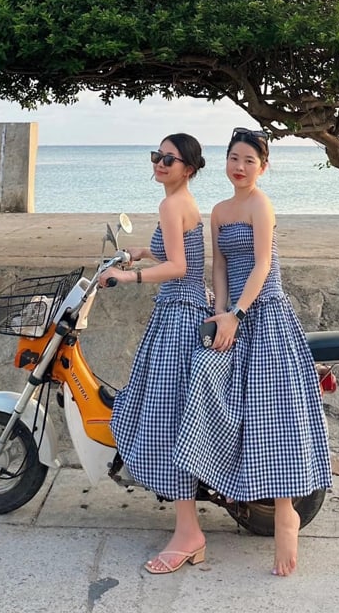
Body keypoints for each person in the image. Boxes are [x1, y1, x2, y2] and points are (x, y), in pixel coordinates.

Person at [174, 127, 332, 577]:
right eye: (233, 158)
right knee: (204, 382)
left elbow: (262, 263)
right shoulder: (220, 211)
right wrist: (220, 314)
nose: (239, 167)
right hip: (233, 317)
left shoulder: (261, 204)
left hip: (265, 313)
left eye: (248, 160)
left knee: (271, 410)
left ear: (263, 166)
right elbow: (219, 265)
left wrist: (238, 314)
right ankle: (215, 482)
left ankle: (286, 513)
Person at [98, 133, 211, 575]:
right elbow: (175, 250)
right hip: (183, 312)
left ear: (189, 168)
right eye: (157, 156)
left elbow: (180, 267)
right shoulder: (181, 202)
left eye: (170, 158)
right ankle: (186, 527)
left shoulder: (171, 204)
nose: (161, 163)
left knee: (166, 420)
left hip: (179, 317)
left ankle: (189, 533)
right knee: (167, 416)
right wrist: (140, 252)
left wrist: (128, 279)